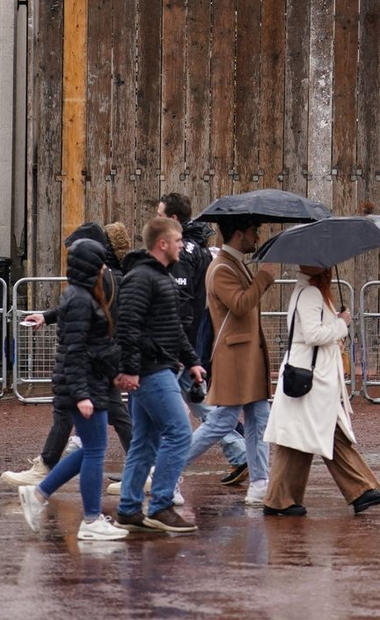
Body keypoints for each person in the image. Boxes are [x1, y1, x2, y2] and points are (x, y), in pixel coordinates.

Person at [2, 222, 133, 488]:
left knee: (81, 419)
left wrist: (82, 388)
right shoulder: (104, 278)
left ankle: (47, 473)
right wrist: (47, 316)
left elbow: (84, 322)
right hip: (101, 359)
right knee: (114, 416)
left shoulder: (104, 280)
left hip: (92, 360)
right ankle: (142, 468)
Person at [16, 239, 127, 541]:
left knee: (92, 449)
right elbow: (75, 350)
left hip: (89, 381)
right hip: (83, 384)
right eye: (100, 263)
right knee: (95, 450)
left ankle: (38, 494)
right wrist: (81, 394)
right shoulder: (80, 297)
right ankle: (90, 520)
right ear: (91, 266)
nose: (105, 267)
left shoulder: (79, 294)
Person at [262, 264, 380, 517]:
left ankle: (280, 499)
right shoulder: (311, 293)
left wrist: (335, 321)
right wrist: (341, 324)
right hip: (313, 376)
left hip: (308, 372)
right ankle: (359, 490)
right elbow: (312, 334)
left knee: (301, 436)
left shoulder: (306, 290)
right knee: (322, 432)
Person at [115, 216, 206, 535]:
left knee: (144, 441)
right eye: (178, 239)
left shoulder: (161, 277)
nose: (183, 244)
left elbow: (173, 328)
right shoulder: (142, 277)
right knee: (180, 433)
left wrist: (192, 360)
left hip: (158, 367)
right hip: (152, 370)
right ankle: (161, 506)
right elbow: (127, 325)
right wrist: (129, 369)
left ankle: (128, 509)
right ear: (162, 244)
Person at [182, 216, 277, 506]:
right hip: (235, 358)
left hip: (246, 357)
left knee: (258, 420)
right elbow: (239, 304)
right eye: (254, 231)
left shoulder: (232, 263)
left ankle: (260, 482)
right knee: (220, 422)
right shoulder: (222, 266)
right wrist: (265, 277)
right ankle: (167, 468)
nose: (257, 237)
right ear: (239, 234)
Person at [159, 192, 249, 486]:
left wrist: (178, 350)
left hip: (177, 346)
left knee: (163, 406)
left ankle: (159, 468)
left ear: (173, 219)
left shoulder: (183, 252)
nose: (156, 220)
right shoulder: (197, 249)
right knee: (201, 407)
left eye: (160, 215)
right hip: (186, 345)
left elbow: (182, 304)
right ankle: (240, 453)